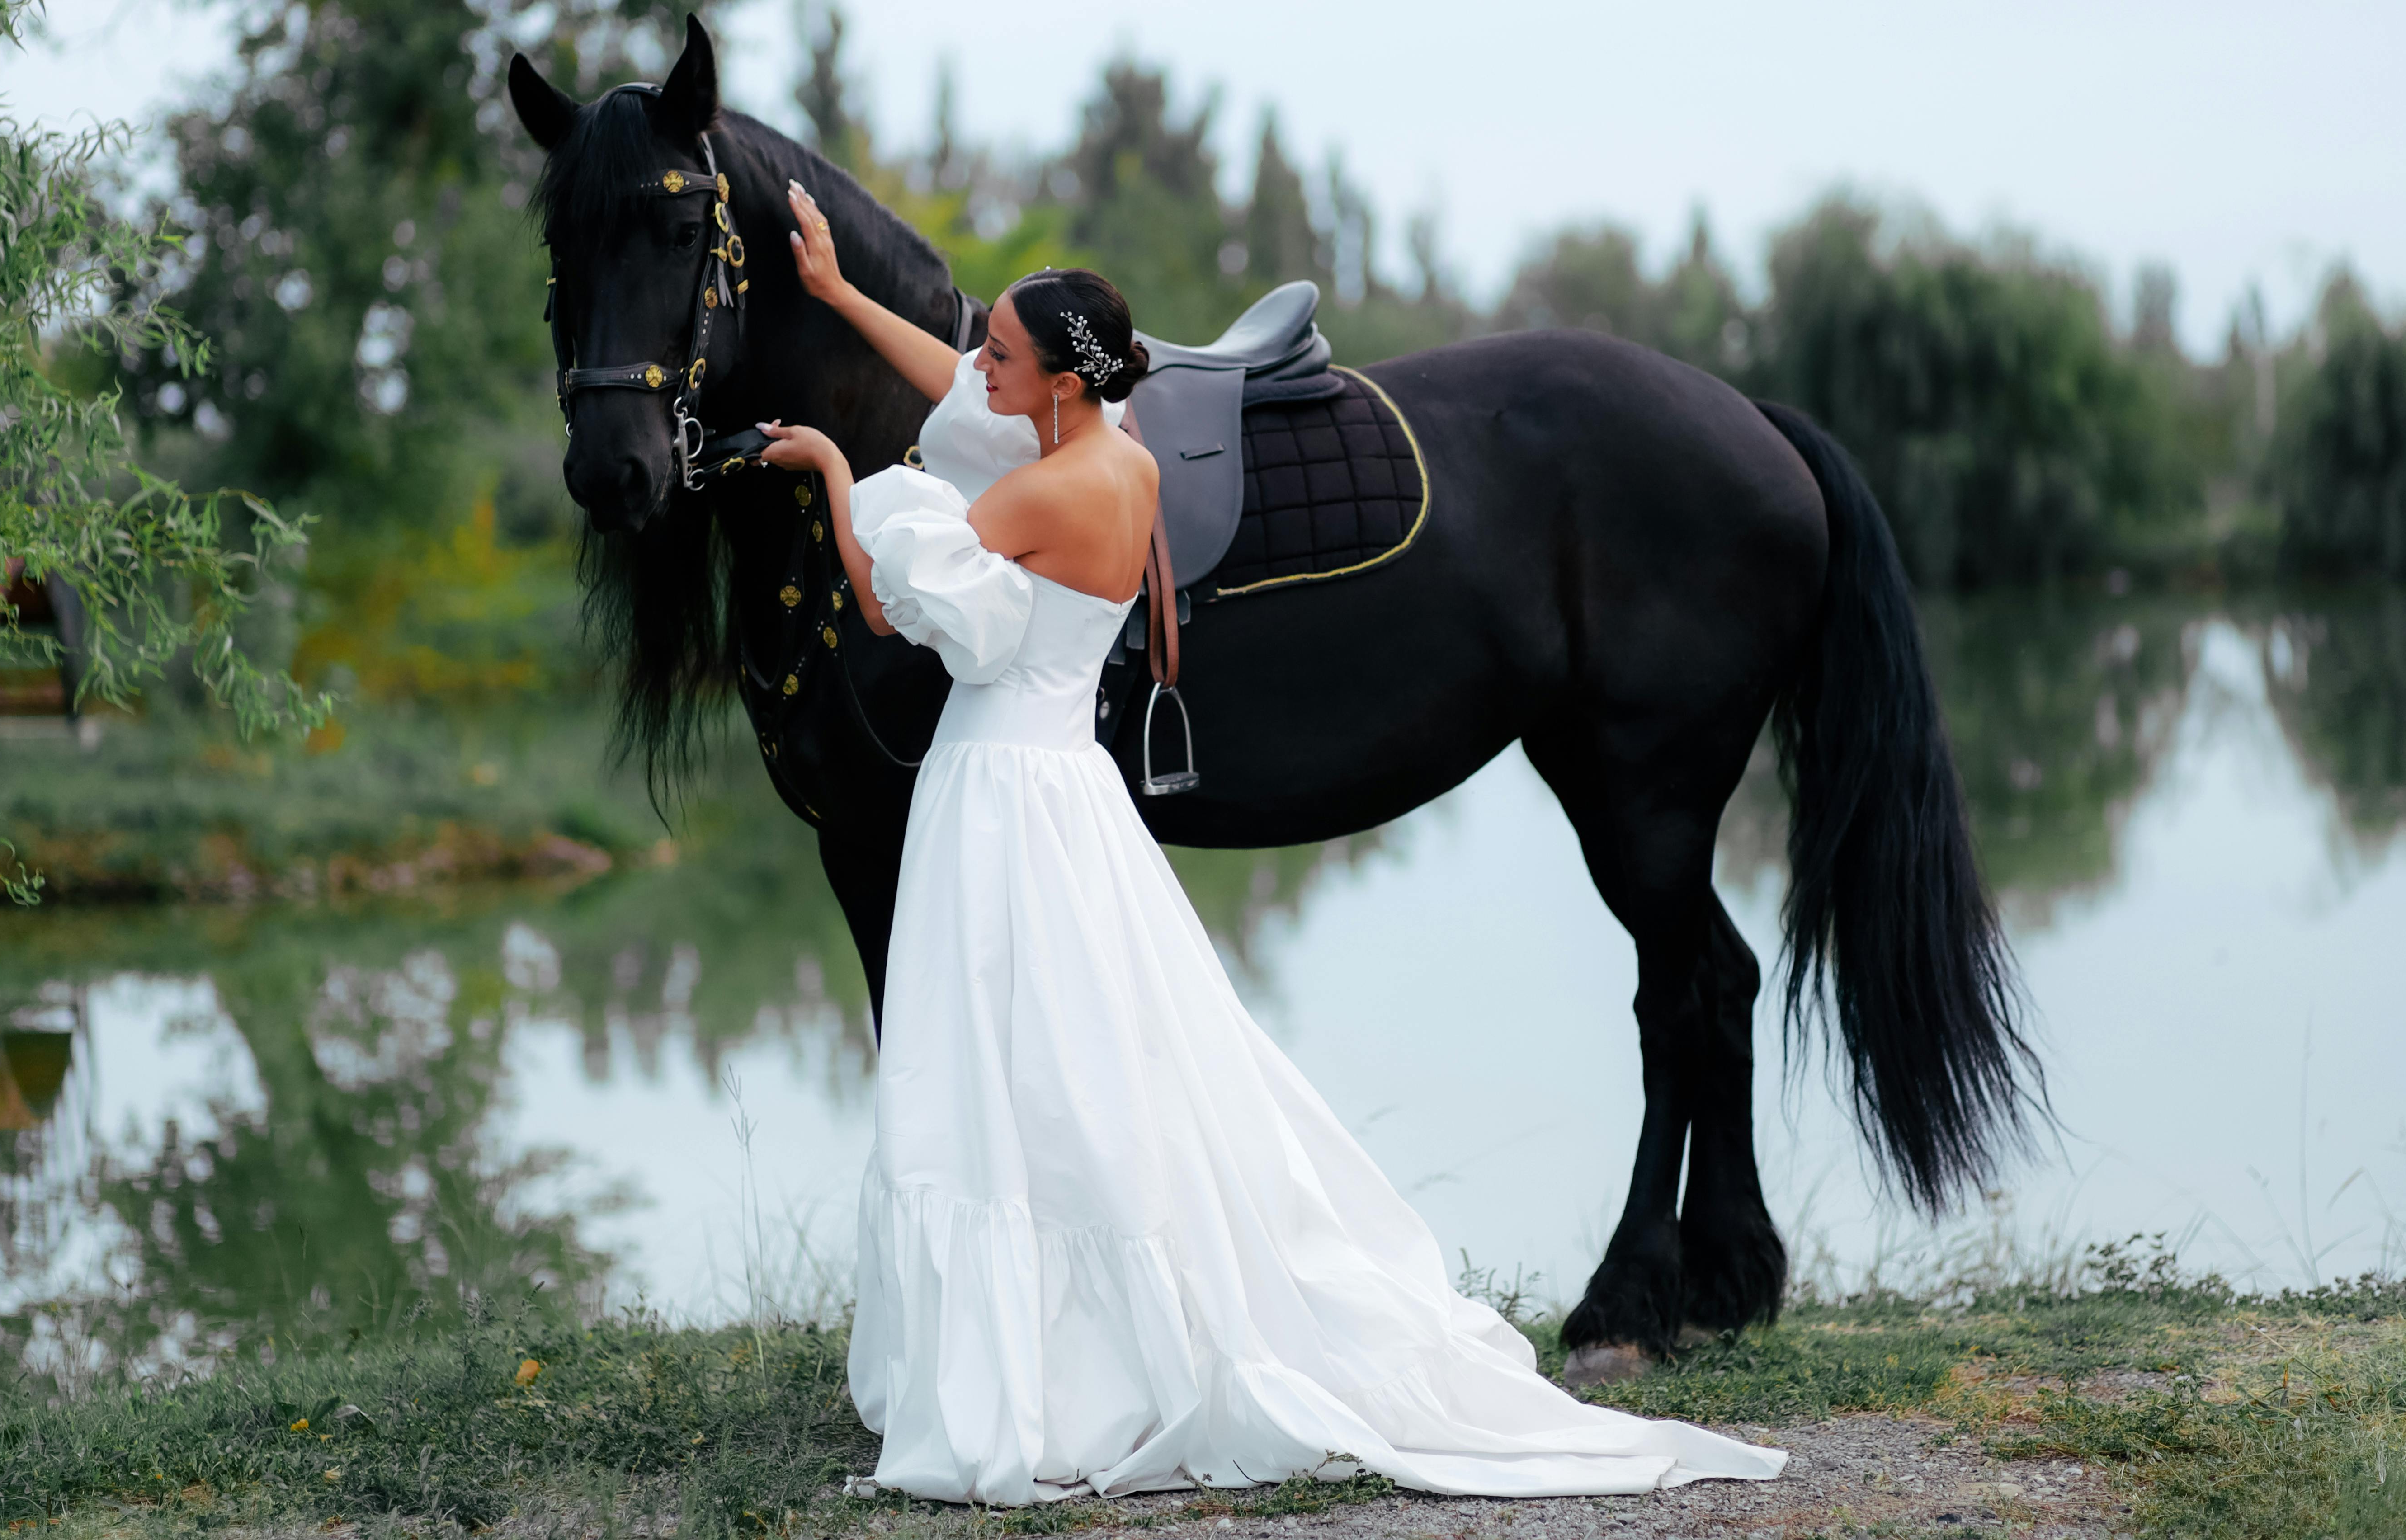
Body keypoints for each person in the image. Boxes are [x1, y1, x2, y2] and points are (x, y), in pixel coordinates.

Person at [755, 180, 1786, 1506]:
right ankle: (1100, 1327)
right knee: (1110, 1066)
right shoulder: (1112, 455)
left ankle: (1041, 1354)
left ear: (1057, 383)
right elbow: (954, 384)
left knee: (1014, 1073)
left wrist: (837, 472)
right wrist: (842, 296)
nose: (977, 370)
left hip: (1003, 795)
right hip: (1069, 794)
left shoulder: (1032, 499)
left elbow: (896, 606)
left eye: (1002, 354)